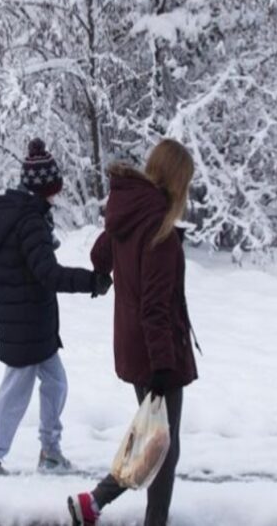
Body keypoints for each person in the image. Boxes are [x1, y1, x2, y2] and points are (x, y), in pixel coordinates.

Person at [0, 138, 113, 475]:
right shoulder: (28, 223)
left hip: (34, 326)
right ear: (46, 190)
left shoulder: (12, 220)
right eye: (54, 190)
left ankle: (50, 452)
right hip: (26, 328)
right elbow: (48, 274)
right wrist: (92, 282)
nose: (57, 196)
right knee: (15, 393)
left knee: (56, 384)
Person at [68, 139, 198, 526]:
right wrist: (162, 367)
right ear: (178, 180)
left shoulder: (131, 213)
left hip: (133, 345)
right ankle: (111, 508)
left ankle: (93, 504)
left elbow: (99, 257)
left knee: (152, 438)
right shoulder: (157, 227)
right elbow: (155, 307)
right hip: (156, 353)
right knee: (161, 446)